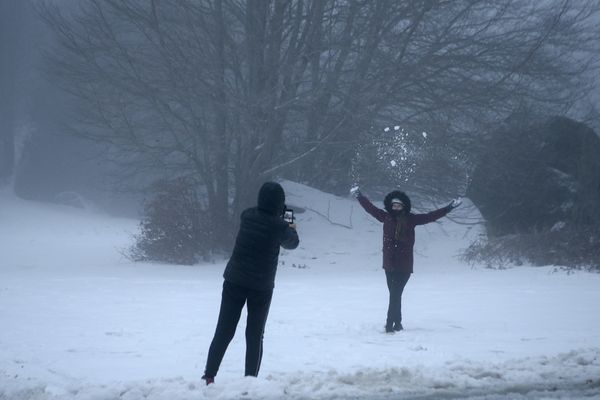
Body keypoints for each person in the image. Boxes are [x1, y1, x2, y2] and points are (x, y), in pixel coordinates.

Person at [202, 182, 299, 385]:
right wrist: (289, 222)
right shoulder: (280, 226)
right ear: (279, 204)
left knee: (224, 330)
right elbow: (293, 243)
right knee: (255, 334)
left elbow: (262, 217)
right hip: (261, 287)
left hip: (234, 280)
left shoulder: (247, 215)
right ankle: (250, 382)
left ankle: (209, 376)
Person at [351, 186, 461, 333]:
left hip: (404, 265)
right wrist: (359, 196)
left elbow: (431, 216)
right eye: (394, 205)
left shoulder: (412, 219)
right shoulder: (386, 217)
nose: (396, 207)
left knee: (395, 294)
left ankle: (389, 325)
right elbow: (370, 208)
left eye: (398, 205)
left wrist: (449, 207)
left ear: (404, 206)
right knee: (395, 295)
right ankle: (398, 323)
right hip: (389, 264)